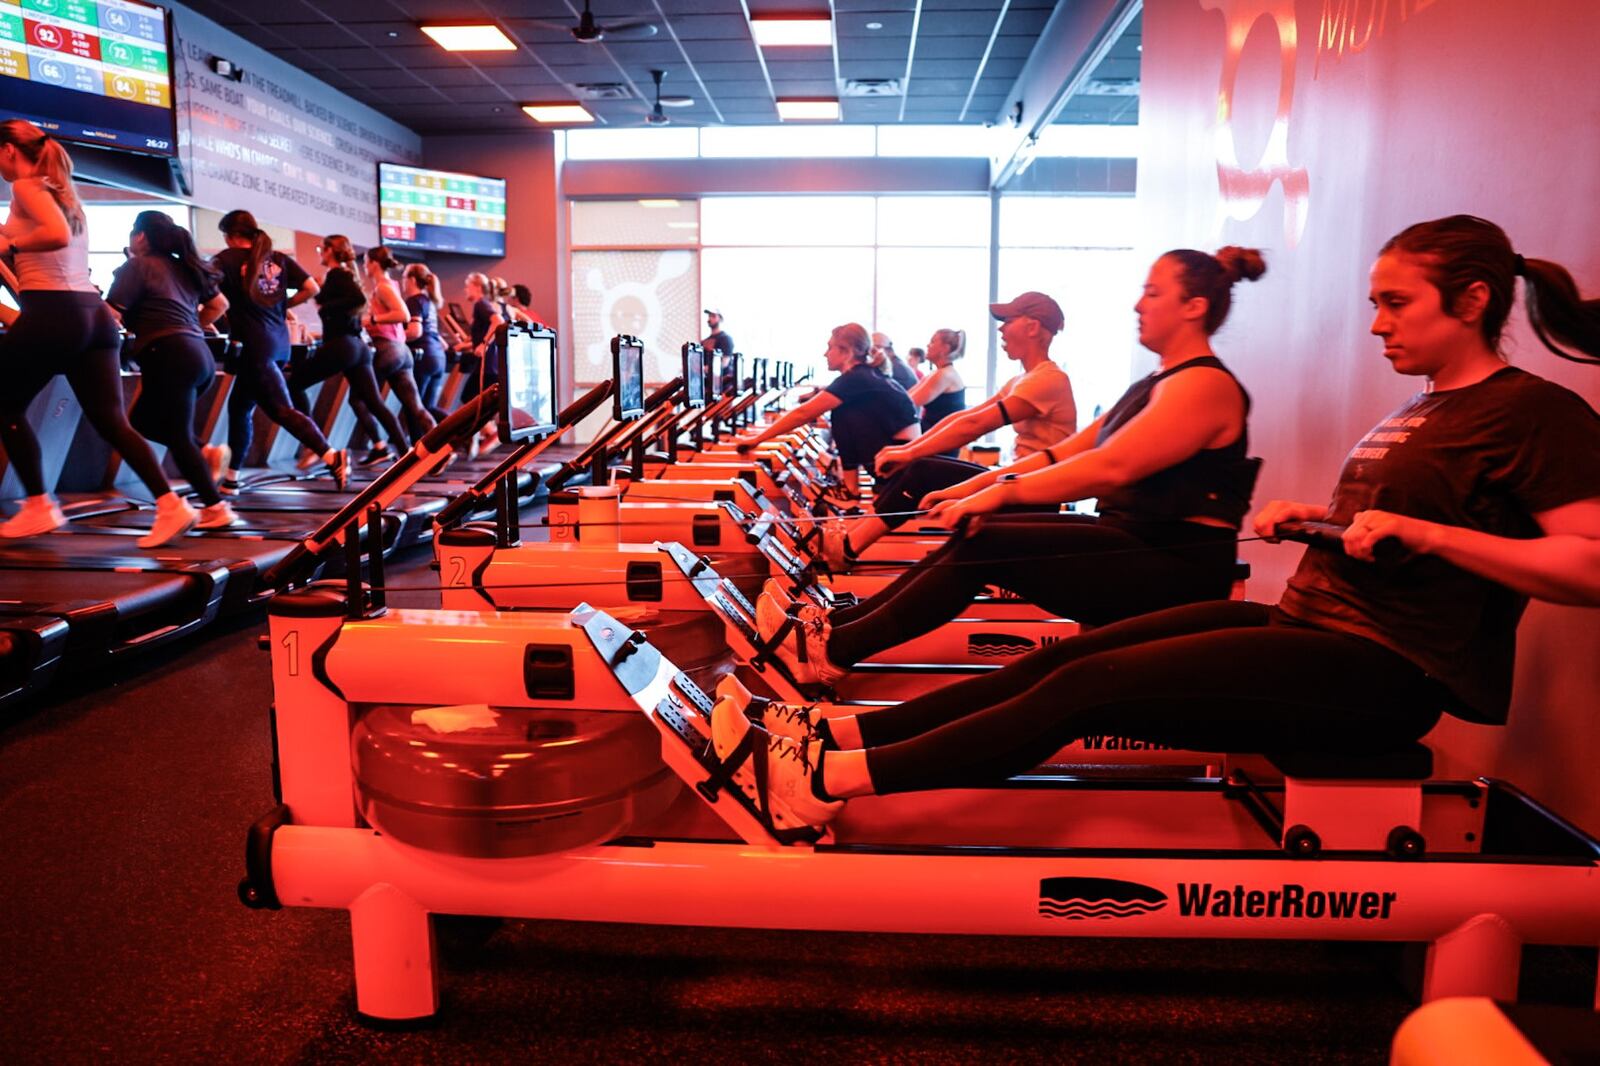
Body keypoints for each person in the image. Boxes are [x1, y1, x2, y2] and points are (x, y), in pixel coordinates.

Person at [713, 214, 1600, 838]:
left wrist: (1438, 537)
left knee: (1087, 689)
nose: (1375, 324)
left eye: (1395, 304)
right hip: (1316, 625)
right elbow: (1397, 525)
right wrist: (1321, 521)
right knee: (1063, 660)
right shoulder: (1423, 408)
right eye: (1376, 302)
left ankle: (824, 783)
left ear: (1475, 300)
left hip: (1386, 672)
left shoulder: (1532, 413)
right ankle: (835, 734)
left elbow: (1588, 567)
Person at [761, 250, 1265, 682]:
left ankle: (834, 648)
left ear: (1194, 307)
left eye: (1153, 293)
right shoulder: (1155, 383)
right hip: (1135, 540)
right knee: (976, 526)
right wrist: (978, 489)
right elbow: (1059, 453)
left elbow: (1110, 466)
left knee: (987, 537)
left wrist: (996, 493)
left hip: (1174, 565)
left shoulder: (1203, 385)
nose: (1137, 303)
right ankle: (838, 631)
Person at [0, 119, 197, 546]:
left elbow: (47, 239)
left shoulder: (25, 188)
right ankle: (170, 503)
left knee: (4, 404)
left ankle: (37, 504)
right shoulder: (62, 195)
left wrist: (12, 247)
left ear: (11, 152)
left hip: (56, 314)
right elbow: (35, 258)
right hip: (91, 316)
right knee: (111, 419)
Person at [824, 294, 1077, 565]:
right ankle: (851, 538)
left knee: (923, 472)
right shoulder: (1023, 378)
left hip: (1035, 492)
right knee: (920, 468)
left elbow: (975, 426)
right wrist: (908, 450)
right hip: (1016, 480)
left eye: (1008, 320)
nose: (1001, 328)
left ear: (1033, 327)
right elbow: (967, 416)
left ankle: (848, 548)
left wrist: (910, 454)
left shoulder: (1048, 379)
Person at [106, 211, 239, 529]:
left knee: (177, 436)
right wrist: (192, 327)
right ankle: (205, 450)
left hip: (169, 356)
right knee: (140, 421)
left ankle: (216, 507)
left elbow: (110, 314)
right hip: (198, 355)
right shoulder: (185, 266)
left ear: (140, 237)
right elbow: (220, 305)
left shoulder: (136, 266)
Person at [211, 210, 346, 492]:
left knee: (281, 410)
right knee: (240, 408)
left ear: (231, 236)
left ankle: (331, 455)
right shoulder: (278, 259)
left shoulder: (226, 259)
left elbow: (206, 291)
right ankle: (232, 480)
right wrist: (282, 306)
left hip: (254, 346)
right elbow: (310, 288)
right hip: (279, 343)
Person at [737, 323, 919, 494]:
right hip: (899, 462)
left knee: (842, 413)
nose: (825, 354)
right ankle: (850, 489)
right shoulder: (863, 375)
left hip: (899, 467)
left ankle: (851, 490)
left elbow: (804, 413)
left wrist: (756, 440)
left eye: (830, 347)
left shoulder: (855, 378)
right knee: (844, 411)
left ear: (846, 352)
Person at [289, 235, 410, 467]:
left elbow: (355, 299)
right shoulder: (343, 277)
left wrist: (327, 304)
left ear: (329, 251)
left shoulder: (338, 275)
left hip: (343, 346)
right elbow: (347, 306)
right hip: (357, 347)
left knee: (294, 384)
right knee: (374, 402)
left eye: (320, 249)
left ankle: (315, 445)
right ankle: (406, 456)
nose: (319, 254)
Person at [361, 245, 434, 450]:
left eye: (366, 262)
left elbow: (403, 315)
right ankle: (441, 452)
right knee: (416, 408)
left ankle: (382, 447)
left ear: (374, 264)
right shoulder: (391, 285)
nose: (365, 266)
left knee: (361, 399)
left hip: (388, 350)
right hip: (401, 351)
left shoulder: (383, 286)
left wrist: (372, 319)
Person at [906, 329, 967, 453]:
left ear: (945, 348)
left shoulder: (945, 375)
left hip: (940, 445)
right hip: (934, 438)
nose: (928, 345)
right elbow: (906, 397)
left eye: (933, 342)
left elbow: (908, 402)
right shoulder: (938, 373)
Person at [403, 264, 449, 423]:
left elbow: (416, 331)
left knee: (414, 409)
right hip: (438, 357)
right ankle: (464, 432)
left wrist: (395, 337)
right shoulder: (429, 302)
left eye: (404, 278)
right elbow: (441, 342)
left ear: (412, 280)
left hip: (424, 357)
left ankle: (417, 446)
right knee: (428, 407)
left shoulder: (414, 301)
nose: (403, 282)